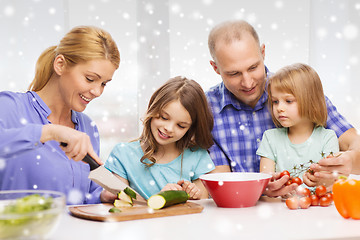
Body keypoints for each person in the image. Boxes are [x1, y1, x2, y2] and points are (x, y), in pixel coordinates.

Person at [205, 20, 360, 197]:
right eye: (234, 73)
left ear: (263, 52)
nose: (248, 82)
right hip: (243, 212)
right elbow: (221, 184)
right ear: (216, 68)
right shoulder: (206, 109)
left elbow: (355, 143)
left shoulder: (299, 91)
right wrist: (260, 187)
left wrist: (351, 161)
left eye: (253, 67)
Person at [0, 26, 120, 204]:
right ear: (60, 65)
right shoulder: (10, 107)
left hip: (74, 232)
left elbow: (79, 199)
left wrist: (101, 196)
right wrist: (50, 132)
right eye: (90, 79)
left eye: (104, 83)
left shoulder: (88, 127)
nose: (97, 91)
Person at [104, 76, 215, 200]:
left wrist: (193, 194)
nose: (169, 128)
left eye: (181, 125)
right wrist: (160, 198)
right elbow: (122, 202)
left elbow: (202, 203)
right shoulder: (123, 154)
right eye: (164, 117)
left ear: (191, 128)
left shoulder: (197, 156)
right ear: (153, 108)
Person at [257, 63, 339, 191]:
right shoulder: (270, 138)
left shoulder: (327, 138)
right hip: (280, 207)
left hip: (317, 208)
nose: (279, 108)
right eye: (275, 101)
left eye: (288, 101)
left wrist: (321, 180)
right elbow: (266, 181)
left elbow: (331, 182)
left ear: (311, 101)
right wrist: (271, 184)